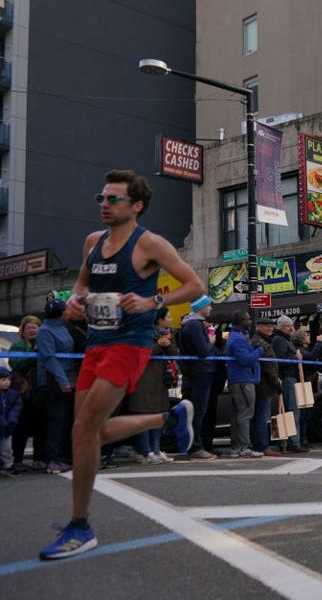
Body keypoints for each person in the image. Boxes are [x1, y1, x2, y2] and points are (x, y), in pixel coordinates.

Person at [39, 169, 202, 560]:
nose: (105, 205)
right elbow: (81, 284)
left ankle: (80, 526)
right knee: (88, 433)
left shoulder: (152, 245)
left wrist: (153, 302)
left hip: (130, 345)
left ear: (137, 206)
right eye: (102, 198)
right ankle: (169, 419)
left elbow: (196, 286)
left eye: (114, 199)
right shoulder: (93, 242)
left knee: (82, 431)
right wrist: (75, 301)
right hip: (96, 343)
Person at [129, 308, 178, 464]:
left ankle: (155, 449)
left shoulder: (168, 333)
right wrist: (158, 344)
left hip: (160, 380)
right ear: (159, 320)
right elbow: (141, 355)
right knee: (144, 414)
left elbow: (175, 354)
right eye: (168, 316)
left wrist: (167, 342)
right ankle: (145, 451)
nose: (170, 318)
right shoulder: (141, 333)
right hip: (143, 379)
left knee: (159, 414)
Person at [35, 299, 77, 475]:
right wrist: (63, 381)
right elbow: (49, 358)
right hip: (53, 378)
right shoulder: (44, 331)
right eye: (66, 309)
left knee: (67, 419)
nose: (68, 311)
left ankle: (65, 456)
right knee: (56, 419)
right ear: (61, 312)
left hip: (69, 375)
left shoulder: (63, 327)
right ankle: (53, 459)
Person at [178, 294, 219, 460]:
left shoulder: (190, 324)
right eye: (208, 305)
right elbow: (203, 351)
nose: (211, 308)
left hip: (195, 372)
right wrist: (210, 340)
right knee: (198, 411)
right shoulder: (194, 326)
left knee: (194, 412)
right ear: (201, 308)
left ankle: (192, 445)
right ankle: (196, 447)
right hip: (200, 373)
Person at [225, 310, 264, 458]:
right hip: (243, 380)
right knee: (245, 413)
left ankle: (236, 447)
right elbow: (245, 360)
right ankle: (244, 447)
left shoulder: (235, 336)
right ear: (241, 321)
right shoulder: (238, 339)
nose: (250, 322)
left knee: (237, 414)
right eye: (247, 319)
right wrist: (259, 351)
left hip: (237, 379)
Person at [271, 315, 309, 453]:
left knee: (290, 411)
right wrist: (295, 357)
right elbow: (280, 359)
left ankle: (287, 441)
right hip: (288, 378)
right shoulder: (280, 340)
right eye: (288, 326)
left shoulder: (284, 340)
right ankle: (293, 441)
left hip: (290, 377)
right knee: (293, 411)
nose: (292, 328)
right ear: (282, 327)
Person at [9, 315, 42, 471]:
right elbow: (15, 363)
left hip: (40, 390)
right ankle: (18, 459)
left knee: (40, 425)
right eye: (29, 328)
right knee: (21, 426)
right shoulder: (18, 346)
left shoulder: (43, 344)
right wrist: (31, 355)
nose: (32, 330)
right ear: (23, 331)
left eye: (35, 327)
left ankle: (38, 458)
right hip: (23, 392)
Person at [251, 316, 281, 456]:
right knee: (262, 417)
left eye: (271, 326)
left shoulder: (263, 341)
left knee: (260, 416)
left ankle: (259, 445)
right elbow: (268, 367)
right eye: (266, 326)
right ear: (259, 327)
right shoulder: (259, 342)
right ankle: (262, 446)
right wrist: (276, 382)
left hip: (263, 384)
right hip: (263, 385)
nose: (270, 328)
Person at [0, 367, 22, 477]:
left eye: (8, 379)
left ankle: (8, 466)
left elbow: (16, 408)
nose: (7, 382)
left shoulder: (13, 394)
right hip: (2, 424)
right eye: (3, 380)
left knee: (6, 448)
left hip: (7, 428)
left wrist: (11, 420)